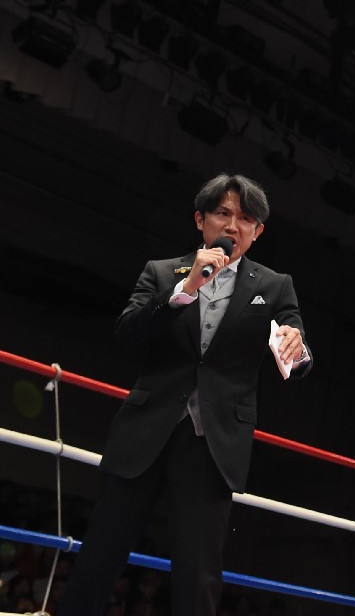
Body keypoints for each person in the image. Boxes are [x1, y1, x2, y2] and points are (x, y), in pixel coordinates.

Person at [58, 173, 313, 616]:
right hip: (146, 429)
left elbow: (299, 350)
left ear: (258, 231)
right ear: (200, 220)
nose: (232, 226)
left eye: (245, 218)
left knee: (198, 573)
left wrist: (298, 348)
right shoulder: (162, 272)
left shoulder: (274, 286)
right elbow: (127, 333)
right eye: (222, 213)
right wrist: (184, 290)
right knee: (101, 554)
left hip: (212, 443)